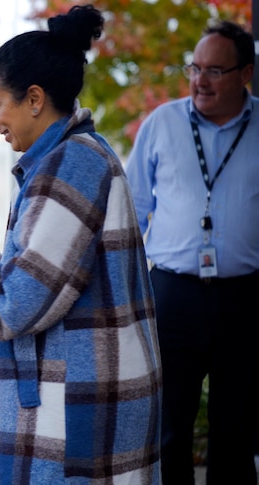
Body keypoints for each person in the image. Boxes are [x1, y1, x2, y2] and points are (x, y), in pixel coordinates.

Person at [0, 5, 161, 484]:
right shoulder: (72, 157)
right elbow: (48, 266)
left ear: (34, 99)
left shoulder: (69, 166)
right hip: (85, 395)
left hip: (81, 402)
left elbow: (17, 302)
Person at [125, 19, 259, 484]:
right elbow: (134, 209)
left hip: (247, 296)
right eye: (194, 69)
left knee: (237, 430)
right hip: (173, 294)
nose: (200, 81)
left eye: (215, 71)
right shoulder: (162, 123)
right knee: (168, 428)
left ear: (245, 74)